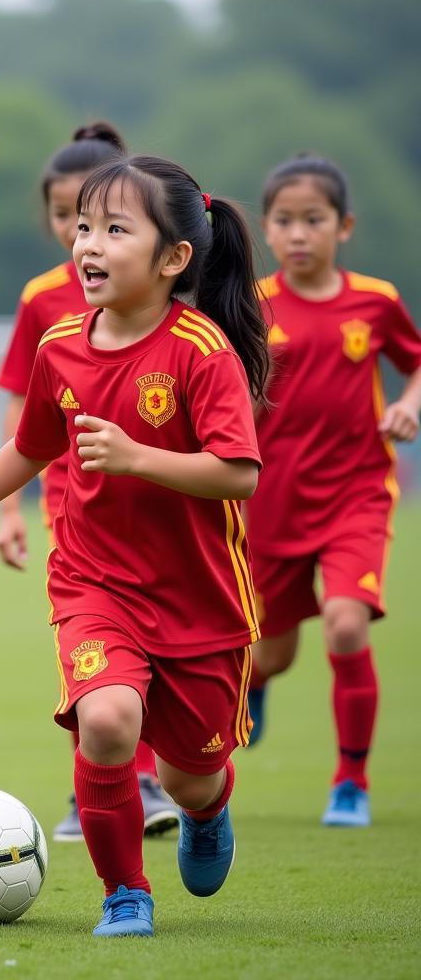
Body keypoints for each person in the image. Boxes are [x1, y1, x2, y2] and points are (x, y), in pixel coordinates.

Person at [0, 154, 268, 937]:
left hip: (201, 599)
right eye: (83, 226)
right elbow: (29, 448)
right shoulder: (60, 345)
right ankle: (124, 893)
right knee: (104, 720)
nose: (88, 244)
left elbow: (237, 474)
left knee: (190, 778)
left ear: (174, 259)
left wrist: (138, 456)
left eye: (114, 229)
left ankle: (209, 809)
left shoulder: (203, 352)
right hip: (95, 584)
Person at [0, 123, 178, 843]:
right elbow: (24, 408)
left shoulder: (172, 306)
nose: (86, 234)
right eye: (71, 217)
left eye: (104, 218)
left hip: (158, 501)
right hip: (75, 505)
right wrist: (10, 509)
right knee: (91, 650)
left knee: (156, 647)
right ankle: (105, 785)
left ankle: (160, 777)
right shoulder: (42, 299)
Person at [244, 154, 421, 826]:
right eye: (284, 221)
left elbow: (416, 359)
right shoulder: (253, 306)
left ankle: (351, 780)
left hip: (357, 493)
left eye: (312, 220)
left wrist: (410, 406)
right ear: (266, 227)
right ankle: (255, 684)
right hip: (270, 502)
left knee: (347, 625)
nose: (298, 233)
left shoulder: (374, 301)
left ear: (342, 226)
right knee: (272, 652)